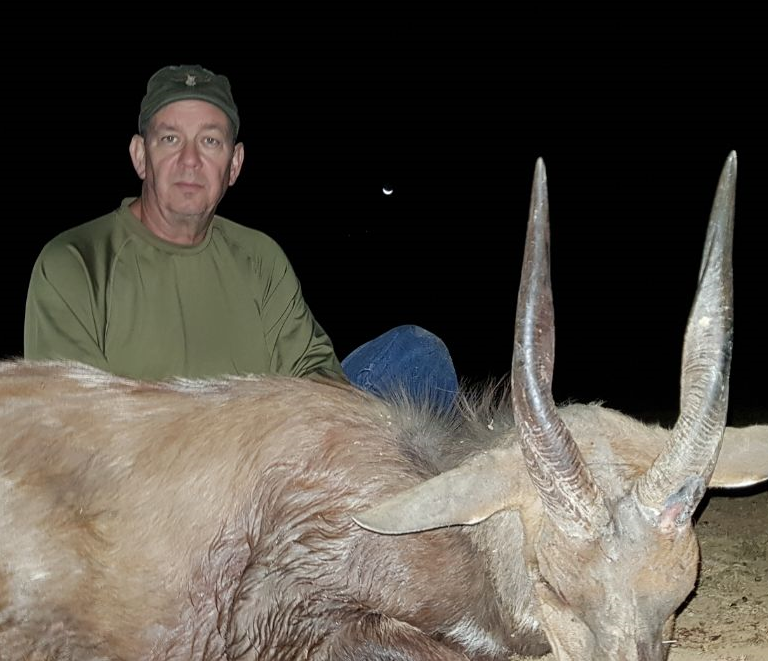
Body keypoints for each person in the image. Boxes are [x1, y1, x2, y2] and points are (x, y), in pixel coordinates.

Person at [24, 64, 458, 407]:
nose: (189, 160)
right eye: (170, 138)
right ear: (141, 156)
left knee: (417, 356)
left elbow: (315, 374)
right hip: (152, 485)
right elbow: (72, 427)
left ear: (234, 164)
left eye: (210, 141)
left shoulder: (259, 257)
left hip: (269, 469)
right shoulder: (75, 262)